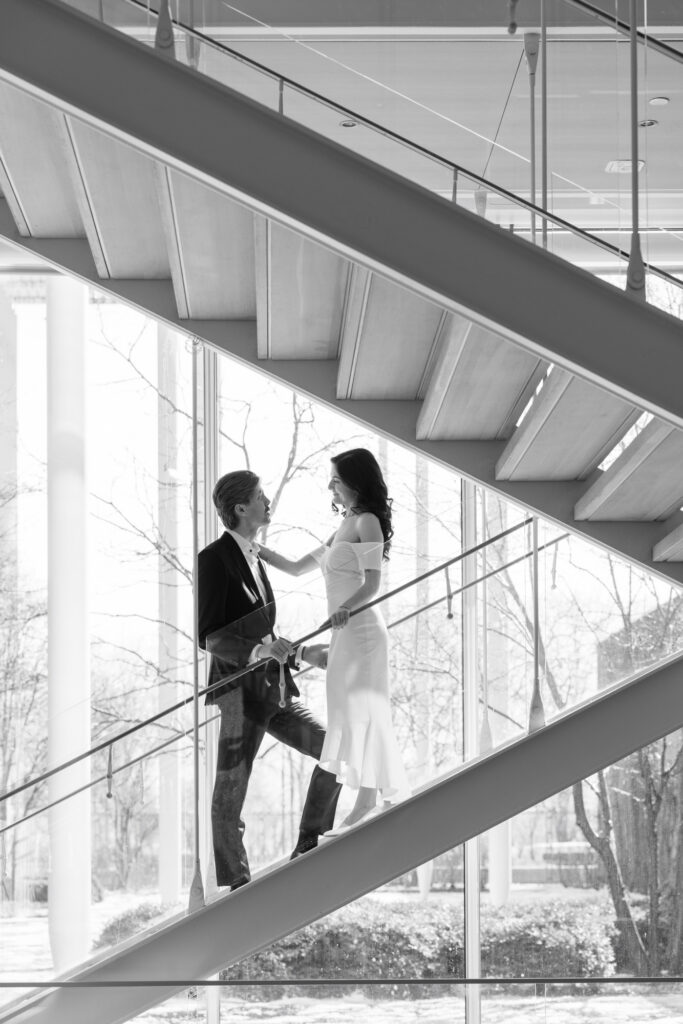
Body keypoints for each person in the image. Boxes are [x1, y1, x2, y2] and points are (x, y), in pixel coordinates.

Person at [198, 470, 341, 890]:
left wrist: (300, 653)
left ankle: (308, 844)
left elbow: (261, 630)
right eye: (261, 496)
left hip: (273, 687)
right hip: (240, 694)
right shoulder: (215, 558)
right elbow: (211, 636)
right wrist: (262, 652)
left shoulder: (255, 555)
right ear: (242, 508)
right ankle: (238, 886)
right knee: (229, 794)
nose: (268, 501)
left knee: (335, 750)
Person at [260, 448, 409, 835]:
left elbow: (373, 583)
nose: (330, 486)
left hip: (360, 629)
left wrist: (344, 608)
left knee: (364, 708)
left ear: (355, 482)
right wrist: (252, 547)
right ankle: (366, 795)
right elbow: (295, 569)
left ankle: (366, 799)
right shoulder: (344, 524)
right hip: (344, 631)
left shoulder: (369, 522)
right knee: (346, 709)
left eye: (336, 480)